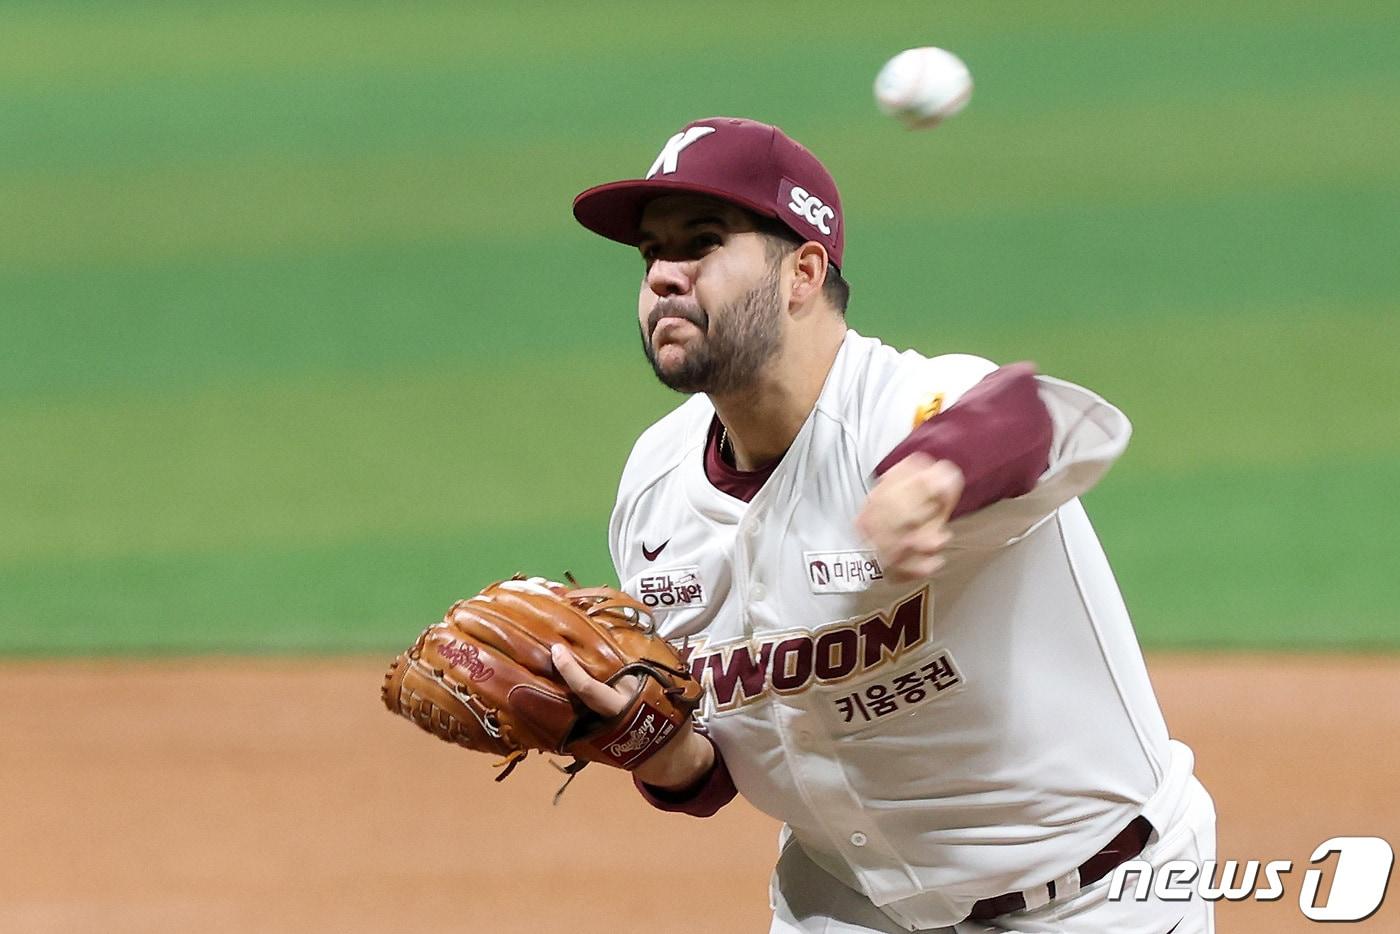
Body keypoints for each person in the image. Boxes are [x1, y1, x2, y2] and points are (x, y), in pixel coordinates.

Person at [550, 116, 1217, 933]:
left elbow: (1029, 414)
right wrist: (656, 747)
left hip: (1091, 900)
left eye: (702, 242)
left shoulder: (901, 410)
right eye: (652, 252)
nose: (663, 276)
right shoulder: (655, 485)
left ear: (802, 272)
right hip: (845, 903)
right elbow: (719, 756)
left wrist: (936, 471)